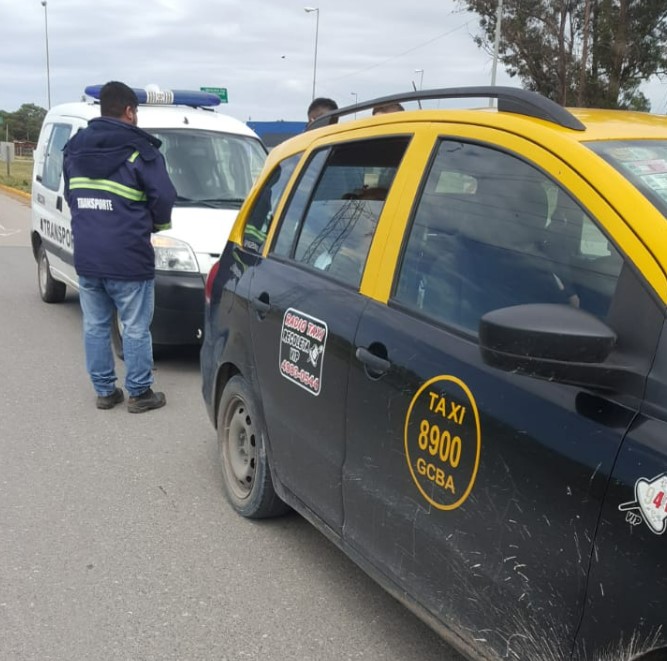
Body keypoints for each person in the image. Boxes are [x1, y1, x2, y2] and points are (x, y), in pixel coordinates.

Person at [63, 81, 177, 413]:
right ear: (129, 111)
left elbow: (73, 195)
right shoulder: (140, 149)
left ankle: (105, 392)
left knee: (95, 324)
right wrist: (157, 224)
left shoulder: (74, 148)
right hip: (128, 256)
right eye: (136, 112)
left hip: (88, 255)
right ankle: (139, 394)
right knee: (136, 325)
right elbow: (164, 196)